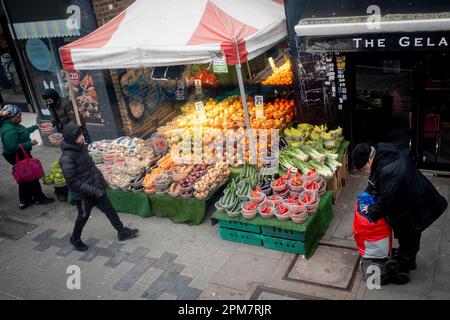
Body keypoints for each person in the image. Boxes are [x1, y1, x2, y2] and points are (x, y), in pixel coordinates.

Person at [352, 142, 448, 284]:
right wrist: (368, 193)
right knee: (408, 233)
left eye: (365, 168)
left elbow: (386, 200)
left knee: (410, 233)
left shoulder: (389, 170)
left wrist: (371, 210)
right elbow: (376, 180)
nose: (366, 171)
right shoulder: (382, 153)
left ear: (369, 160)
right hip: (410, 197)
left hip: (415, 203)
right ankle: (407, 258)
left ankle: (404, 265)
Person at [59, 122, 138, 251]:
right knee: (83, 216)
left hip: (96, 189)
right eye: (79, 136)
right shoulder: (67, 158)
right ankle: (75, 238)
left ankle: (121, 231)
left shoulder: (81, 148)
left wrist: (101, 181)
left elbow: (92, 167)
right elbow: (73, 182)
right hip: (84, 195)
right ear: (72, 138)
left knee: (110, 210)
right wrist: (93, 190)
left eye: (82, 134)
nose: (83, 137)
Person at [0, 104, 54, 209]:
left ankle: (25, 201)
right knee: (31, 176)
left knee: (25, 177)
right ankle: (39, 198)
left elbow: (22, 132)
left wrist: (36, 127)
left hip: (19, 154)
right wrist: (29, 143)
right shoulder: (9, 130)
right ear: (11, 117)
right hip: (16, 155)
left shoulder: (12, 125)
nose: (21, 118)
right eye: (18, 116)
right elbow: (11, 146)